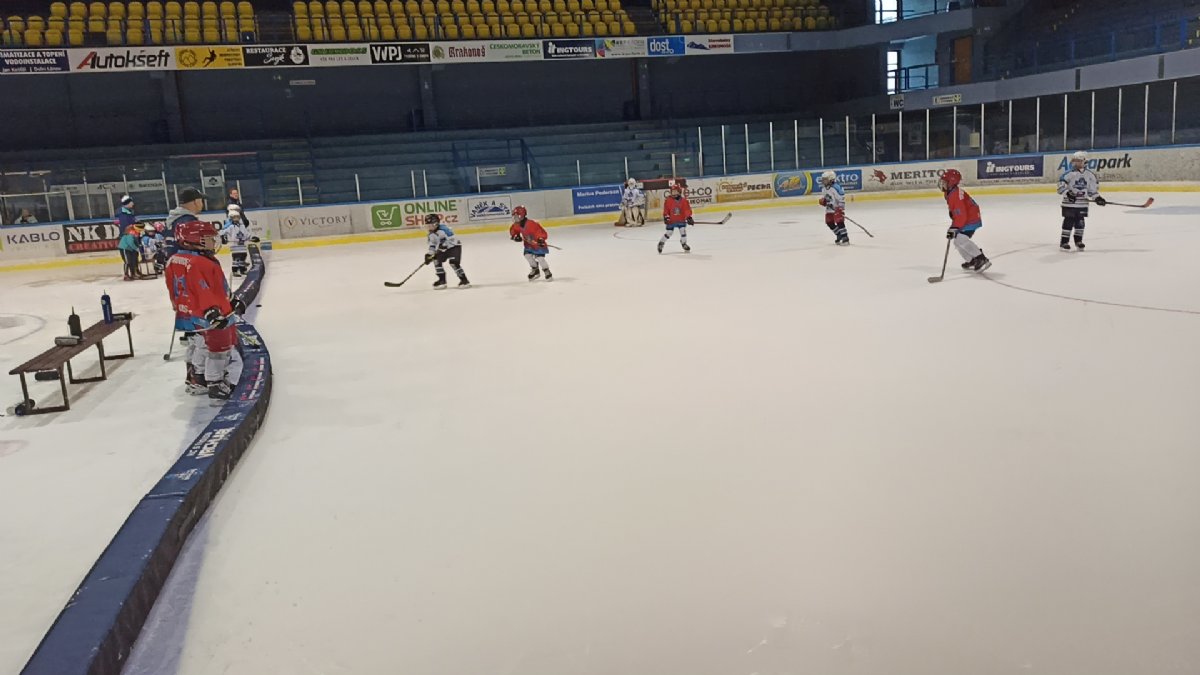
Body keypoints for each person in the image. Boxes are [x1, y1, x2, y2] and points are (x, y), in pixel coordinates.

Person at [165, 219, 244, 400]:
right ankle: (215, 383)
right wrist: (212, 311)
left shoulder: (175, 259)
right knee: (219, 347)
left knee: (199, 343)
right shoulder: (200, 262)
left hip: (189, 312)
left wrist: (232, 300)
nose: (213, 241)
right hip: (208, 313)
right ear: (194, 240)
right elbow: (203, 288)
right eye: (208, 238)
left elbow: (174, 287)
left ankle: (197, 378)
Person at [940, 168, 991, 272]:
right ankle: (972, 260)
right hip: (966, 219)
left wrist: (954, 228)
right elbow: (957, 212)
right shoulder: (949, 192)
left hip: (971, 220)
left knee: (960, 240)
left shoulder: (955, 195)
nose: (942, 184)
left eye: (945, 182)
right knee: (957, 242)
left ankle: (981, 258)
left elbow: (961, 216)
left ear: (951, 182)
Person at [1057, 150, 1105, 251]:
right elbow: (1060, 187)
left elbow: (1092, 191)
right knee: (1068, 222)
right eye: (1075, 160)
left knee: (1080, 223)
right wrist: (1068, 193)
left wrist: (1097, 198)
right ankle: (1064, 242)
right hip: (1069, 204)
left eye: (1079, 161)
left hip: (1082, 204)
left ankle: (1078, 241)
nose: (1076, 163)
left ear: (1085, 162)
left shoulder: (1090, 175)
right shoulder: (1068, 174)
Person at [423, 213, 470, 289]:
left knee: (453, 263)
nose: (428, 227)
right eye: (427, 225)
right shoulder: (430, 234)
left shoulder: (444, 229)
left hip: (454, 247)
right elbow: (432, 245)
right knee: (436, 260)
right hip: (443, 249)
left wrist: (443, 246)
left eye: (430, 225)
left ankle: (464, 280)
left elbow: (452, 239)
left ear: (436, 223)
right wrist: (429, 254)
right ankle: (442, 280)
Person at [509, 205, 552, 281]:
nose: (515, 218)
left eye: (516, 216)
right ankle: (535, 269)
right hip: (528, 245)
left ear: (522, 215)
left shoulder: (531, 224)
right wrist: (515, 236)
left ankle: (546, 270)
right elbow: (514, 230)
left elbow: (540, 231)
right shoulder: (517, 225)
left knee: (540, 258)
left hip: (537, 245)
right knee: (527, 255)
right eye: (514, 216)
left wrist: (540, 239)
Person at [164, 187, 206, 257]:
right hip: (187, 260)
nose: (202, 204)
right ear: (196, 201)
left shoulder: (172, 219)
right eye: (201, 201)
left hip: (174, 260)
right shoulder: (188, 221)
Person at [817, 170, 850, 246]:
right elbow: (826, 198)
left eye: (825, 179)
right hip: (829, 209)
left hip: (837, 208)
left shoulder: (836, 188)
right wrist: (824, 202)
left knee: (839, 221)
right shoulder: (824, 189)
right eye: (823, 179)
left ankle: (845, 237)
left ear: (831, 179)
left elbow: (841, 198)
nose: (823, 181)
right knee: (829, 222)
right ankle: (839, 234)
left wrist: (840, 208)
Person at [658, 182, 693, 254]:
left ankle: (684, 243)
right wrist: (666, 217)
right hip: (672, 220)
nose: (673, 193)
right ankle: (661, 242)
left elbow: (686, 210)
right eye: (672, 191)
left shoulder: (684, 201)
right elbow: (666, 210)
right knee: (669, 232)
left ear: (679, 192)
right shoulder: (668, 200)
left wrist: (689, 217)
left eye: (675, 191)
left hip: (681, 219)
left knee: (683, 231)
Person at [223, 204, 252, 277]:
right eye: (235, 217)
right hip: (235, 244)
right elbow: (225, 233)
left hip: (242, 244)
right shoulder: (230, 226)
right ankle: (235, 270)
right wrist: (225, 238)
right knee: (236, 257)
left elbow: (245, 232)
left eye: (238, 217)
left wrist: (249, 237)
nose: (237, 218)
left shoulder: (241, 225)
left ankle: (242, 269)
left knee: (243, 255)